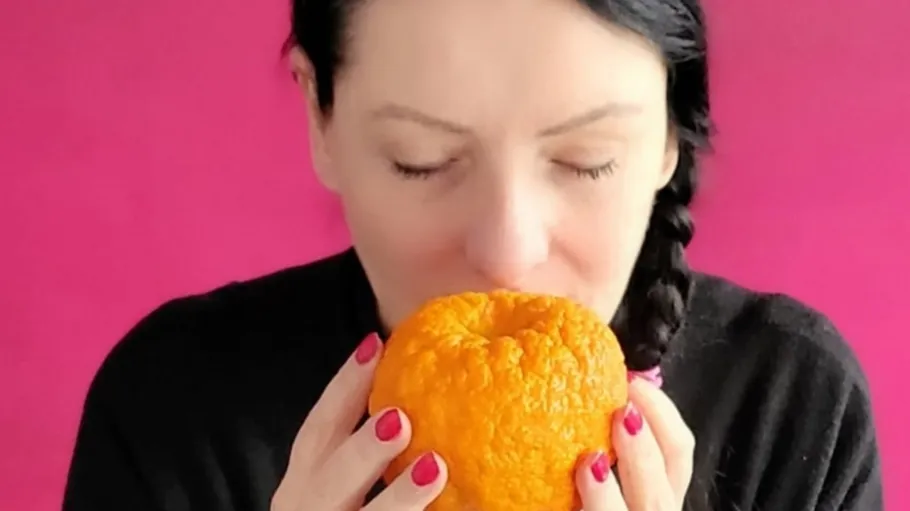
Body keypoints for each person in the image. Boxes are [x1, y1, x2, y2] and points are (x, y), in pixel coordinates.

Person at [61, 0, 884, 509]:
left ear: (671, 135)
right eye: (421, 161)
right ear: (320, 116)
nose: (507, 255)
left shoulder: (793, 410)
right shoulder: (174, 413)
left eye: (586, 160)